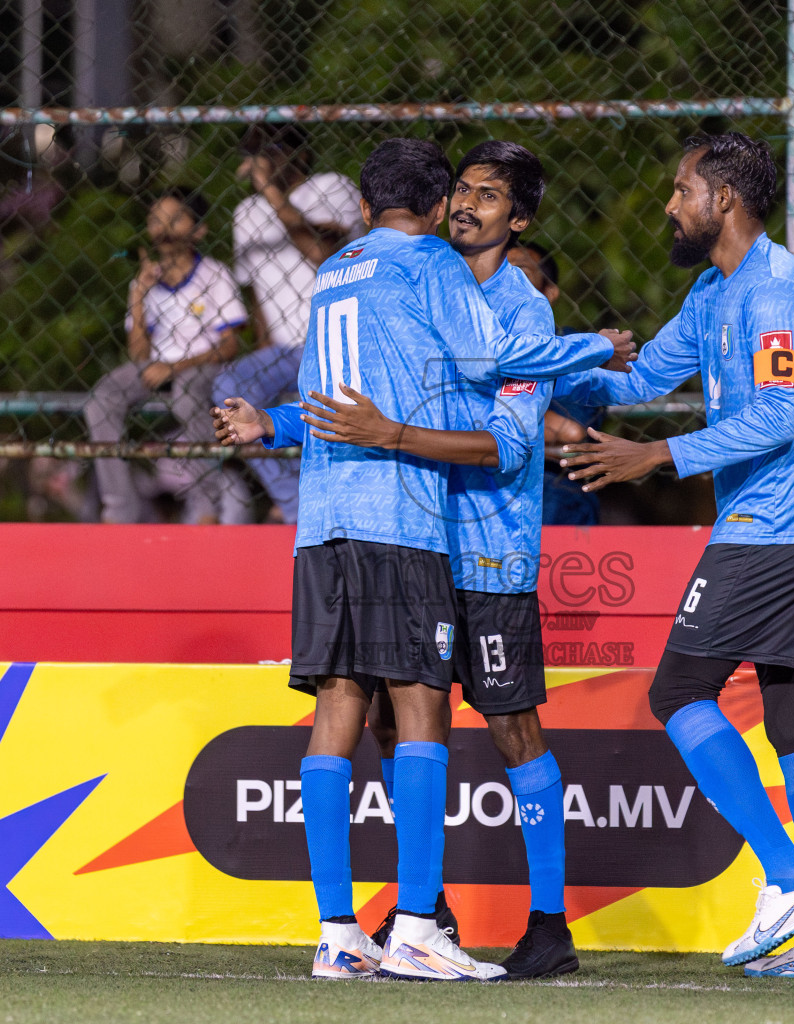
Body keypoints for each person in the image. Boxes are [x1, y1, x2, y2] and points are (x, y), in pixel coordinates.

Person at [215, 137, 634, 982]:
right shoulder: (422, 277)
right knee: (391, 717)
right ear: (442, 204)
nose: (472, 204)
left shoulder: (516, 307)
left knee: (510, 728)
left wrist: (377, 431)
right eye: (464, 189)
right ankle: (422, 913)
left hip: (486, 551)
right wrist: (284, 423)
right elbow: (350, 403)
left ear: (519, 221)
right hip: (409, 536)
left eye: (490, 195)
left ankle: (546, 921)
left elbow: (510, 446)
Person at [556, 131, 794, 978]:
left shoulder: (775, 290)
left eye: (681, 189)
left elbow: (777, 417)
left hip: (777, 529)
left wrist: (656, 455)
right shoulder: (713, 289)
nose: (670, 204)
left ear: (723, 198)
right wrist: (547, 365)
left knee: (678, 691)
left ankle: (791, 881)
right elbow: (642, 378)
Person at [212, 125, 366, 524]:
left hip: (339, 340)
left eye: (272, 150)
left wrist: (272, 192)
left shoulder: (331, 186)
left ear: (300, 154)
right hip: (284, 351)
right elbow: (258, 295)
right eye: (254, 151)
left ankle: (323, 502)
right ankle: (297, 505)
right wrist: (264, 350)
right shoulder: (246, 212)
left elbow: (322, 253)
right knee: (229, 389)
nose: (261, 159)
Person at [84, 188, 247, 524]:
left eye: (175, 219)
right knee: (101, 400)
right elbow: (138, 355)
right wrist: (139, 296)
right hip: (156, 368)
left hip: (202, 366)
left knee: (187, 394)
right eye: (156, 220)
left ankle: (206, 505)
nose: (163, 229)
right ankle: (119, 507)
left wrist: (175, 367)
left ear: (198, 230)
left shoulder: (214, 274)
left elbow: (229, 345)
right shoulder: (145, 282)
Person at [507, 242, 607, 526]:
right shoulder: (476, 344)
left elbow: (569, 431)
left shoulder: (571, 347)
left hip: (550, 479)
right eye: (499, 271)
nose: (508, 280)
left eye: (521, 271)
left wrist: (481, 406)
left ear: (549, 293)